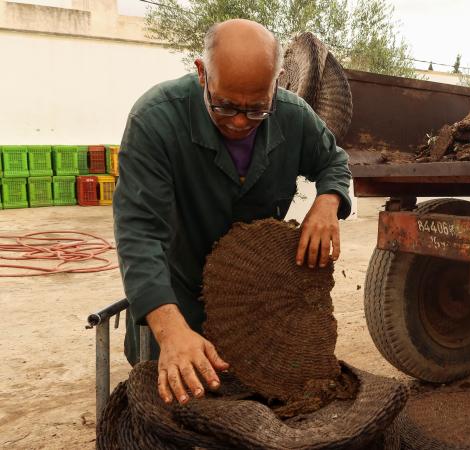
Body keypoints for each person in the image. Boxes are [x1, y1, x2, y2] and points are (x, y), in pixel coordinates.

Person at [113, 19, 352, 405]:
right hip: (180, 300)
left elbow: (334, 163)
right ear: (201, 72)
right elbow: (140, 233)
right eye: (224, 106)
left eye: (257, 109)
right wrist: (170, 330)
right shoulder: (155, 120)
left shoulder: (293, 115)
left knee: (266, 403)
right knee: (179, 412)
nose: (240, 122)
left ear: (278, 82)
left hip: (261, 308)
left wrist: (328, 201)